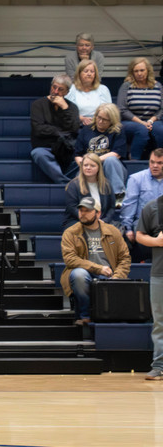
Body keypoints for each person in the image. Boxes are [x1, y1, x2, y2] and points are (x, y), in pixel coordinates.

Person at [61, 196, 130, 326]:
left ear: (98, 213)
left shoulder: (113, 231)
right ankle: (85, 315)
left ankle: (108, 318)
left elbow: (124, 258)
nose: (83, 213)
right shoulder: (71, 233)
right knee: (79, 275)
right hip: (86, 272)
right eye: (81, 210)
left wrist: (117, 276)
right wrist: (98, 268)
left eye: (87, 210)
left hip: (110, 274)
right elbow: (70, 259)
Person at [30, 74, 82, 184]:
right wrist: (61, 132)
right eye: (54, 87)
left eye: (60, 89)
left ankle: (70, 182)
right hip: (45, 147)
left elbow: (75, 129)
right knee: (37, 154)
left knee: (84, 158)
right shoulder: (38, 105)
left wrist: (65, 108)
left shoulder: (71, 107)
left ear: (67, 92)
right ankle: (66, 183)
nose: (56, 91)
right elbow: (38, 129)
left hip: (67, 148)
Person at [134, 190, 163, 380]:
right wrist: (157, 241)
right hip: (160, 274)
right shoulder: (152, 207)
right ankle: (159, 365)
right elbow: (139, 235)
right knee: (160, 322)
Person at [73, 103, 127, 199]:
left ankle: (118, 196)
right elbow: (77, 154)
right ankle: (87, 200)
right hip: (91, 167)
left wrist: (94, 160)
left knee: (111, 160)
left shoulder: (118, 130)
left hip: (112, 168)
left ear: (112, 120)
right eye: (99, 117)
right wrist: (85, 164)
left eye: (105, 120)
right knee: (83, 170)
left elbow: (117, 153)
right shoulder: (86, 130)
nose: (100, 121)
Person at [121, 149, 163, 263]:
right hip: (143, 225)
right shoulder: (136, 179)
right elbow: (129, 204)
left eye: (159, 163)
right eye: (152, 162)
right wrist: (128, 229)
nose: (154, 166)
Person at [118, 57, 163, 160]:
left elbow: (162, 109)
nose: (139, 73)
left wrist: (151, 120)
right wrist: (142, 123)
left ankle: (160, 160)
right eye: (136, 71)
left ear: (148, 70)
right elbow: (122, 109)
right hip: (130, 122)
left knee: (161, 130)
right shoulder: (126, 86)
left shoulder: (158, 86)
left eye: (142, 70)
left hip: (153, 121)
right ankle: (134, 160)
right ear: (132, 72)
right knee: (142, 129)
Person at [64, 154, 117, 229]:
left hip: (102, 221)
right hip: (78, 221)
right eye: (85, 165)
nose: (88, 168)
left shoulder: (106, 184)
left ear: (99, 167)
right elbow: (72, 207)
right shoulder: (73, 185)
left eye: (92, 166)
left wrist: (105, 220)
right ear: (82, 167)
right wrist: (92, 220)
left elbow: (111, 207)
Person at [66, 59, 112, 126]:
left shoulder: (103, 89)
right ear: (79, 74)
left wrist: (95, 120)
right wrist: (82, 118)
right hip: (77, 123)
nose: (89, 74)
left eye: (92, 71)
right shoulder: (71, 89)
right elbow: (67, 111)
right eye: (86, 71)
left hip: (100, 124)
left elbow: (109, 111)